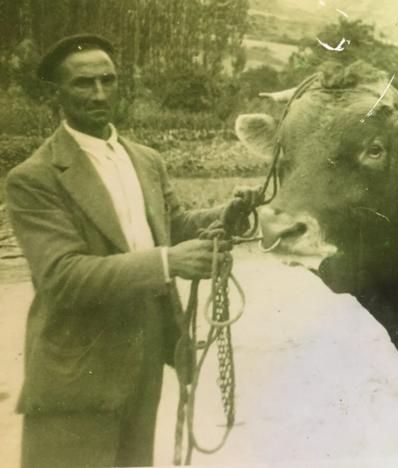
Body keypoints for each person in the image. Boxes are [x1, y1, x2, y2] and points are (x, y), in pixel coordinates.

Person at [5, 34, 260, 468]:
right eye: (84, 83)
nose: (99, 93)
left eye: (109, 80)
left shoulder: (146, 160)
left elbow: (173, 227)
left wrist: (230, 212)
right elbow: (62, 277)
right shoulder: (34, 178)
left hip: (144, 360)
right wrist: (167, 263)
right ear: (58, 94)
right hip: (76, 372)